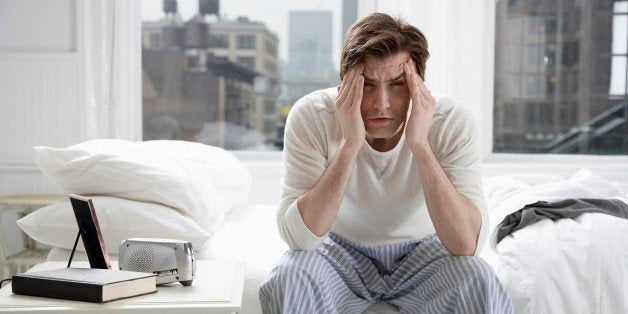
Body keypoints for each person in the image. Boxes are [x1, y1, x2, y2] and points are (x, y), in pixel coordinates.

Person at [260, 12, 513, 313]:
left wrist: (419, 144)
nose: (382, 103)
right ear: (344, 84)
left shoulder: (451, 121)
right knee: (290, 276)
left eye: (397, 84)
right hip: (339, 251)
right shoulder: (312, 115)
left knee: (479, 280)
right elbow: (299, 240)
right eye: (367, 84)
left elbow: (466, 245)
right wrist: (350, 143)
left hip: (425, 252)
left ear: (418, 83)